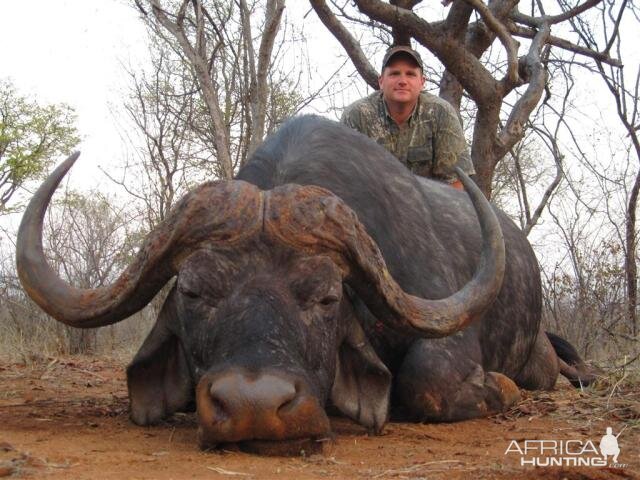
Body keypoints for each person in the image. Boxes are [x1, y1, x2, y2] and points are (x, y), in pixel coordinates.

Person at [341, 46, 475, 190]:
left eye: (410, 74)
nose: (402, 81)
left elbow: (456, 183)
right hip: (372, 203)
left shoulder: (441, 113)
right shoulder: (356, 115)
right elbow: (343, 176)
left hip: (430, 206)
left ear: (422, 82)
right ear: (381, 81)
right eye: (394, 74)